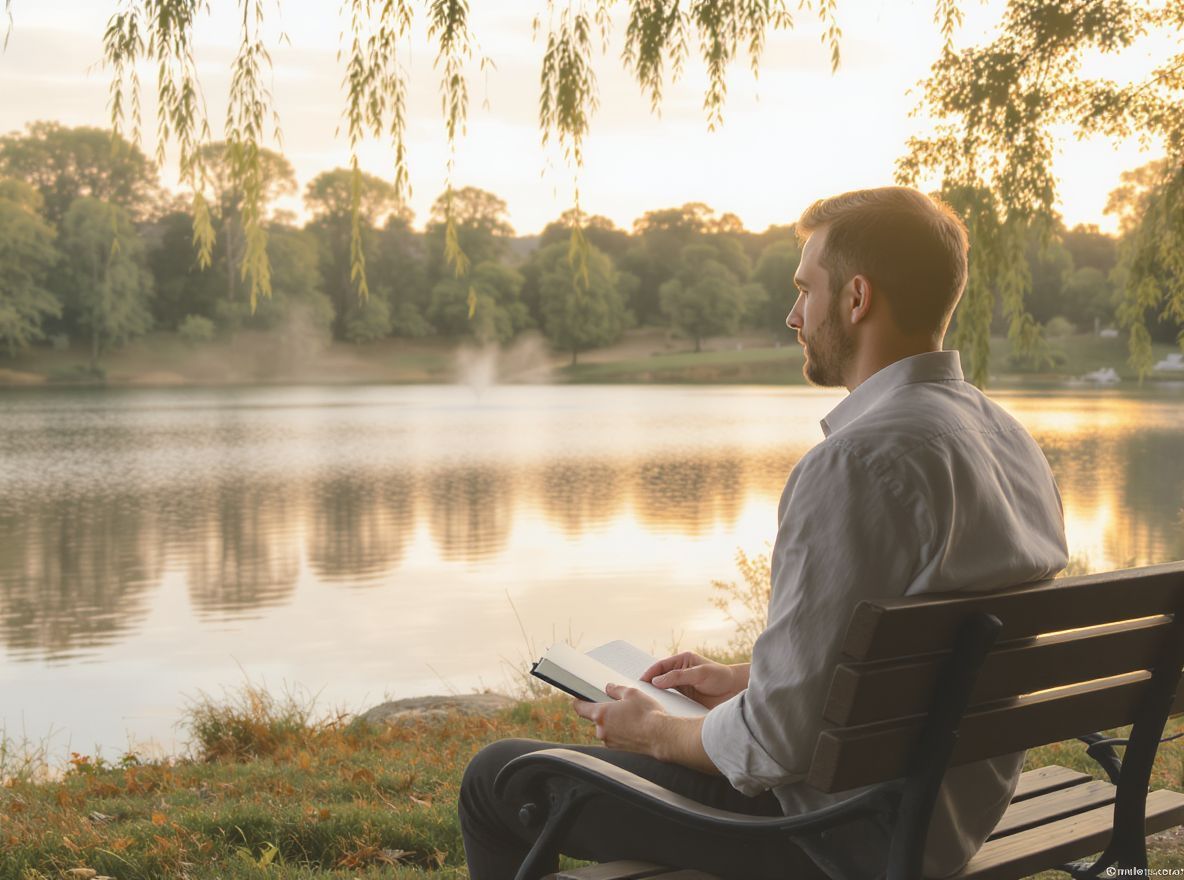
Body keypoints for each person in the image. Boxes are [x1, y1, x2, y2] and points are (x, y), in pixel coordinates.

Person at [458, 186, 1068, 880]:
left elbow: (773, 746)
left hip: (837, 835)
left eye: (806, 290)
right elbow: (927, 663)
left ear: (857, 299)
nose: (793, 315)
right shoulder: (1007, 438)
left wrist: (654, 732)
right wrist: (750, 680)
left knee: (498, 776)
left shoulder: (854, 464)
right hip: (949, 817)